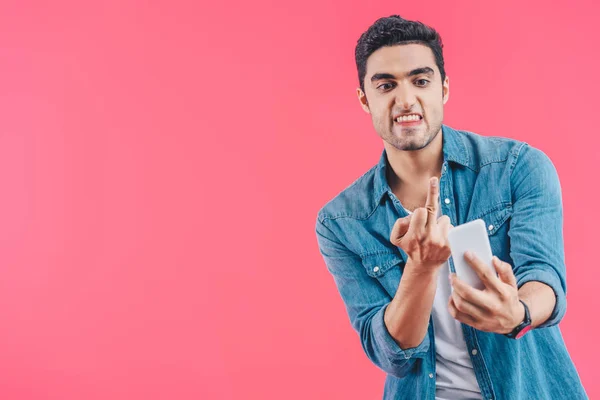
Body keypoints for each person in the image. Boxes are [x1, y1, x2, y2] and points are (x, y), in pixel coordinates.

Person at [314, 15, 587, 400]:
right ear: (364, 98)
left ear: (443, 89)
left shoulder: (518, 167)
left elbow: (544, 279)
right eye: (386, 85)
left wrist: (518, 312)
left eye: (420, 80)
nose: (406, 99)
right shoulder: (342, 221)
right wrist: (421, 268)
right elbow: (393, 353)